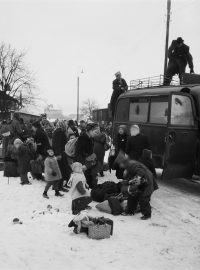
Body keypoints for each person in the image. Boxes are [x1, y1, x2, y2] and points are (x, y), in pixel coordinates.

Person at [115, 152, 154, 220]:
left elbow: (140, 171)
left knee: (144, 198)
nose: (120, 166)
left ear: (123, 162)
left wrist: (138, 177)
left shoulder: (131, 164)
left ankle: (147, 214)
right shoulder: (128, 165)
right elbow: (131, 176)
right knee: (132, 195)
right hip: (141, 181)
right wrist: (128, 182)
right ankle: (130, 211)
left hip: (147, 181)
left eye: (120, 164)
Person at [75, 122, 98, 189]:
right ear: (90, 130)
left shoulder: (91, 138)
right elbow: (78, 153)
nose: (96, 134)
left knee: (89, 181)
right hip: (83, 165)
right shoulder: (82, 138)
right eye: (95, 132)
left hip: (89, 163)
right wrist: (82, 165)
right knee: (84, 182)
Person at [52, 120, 70, 192]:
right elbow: (57, 144)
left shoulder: (58, 131)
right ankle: (59, 187)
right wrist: (58, 154)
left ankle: (57, 186)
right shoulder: (59, 132)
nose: (66, 125)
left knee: (61, 170)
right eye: (65, 124)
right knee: (61, 170)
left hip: (60, 153)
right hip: (60, 154)